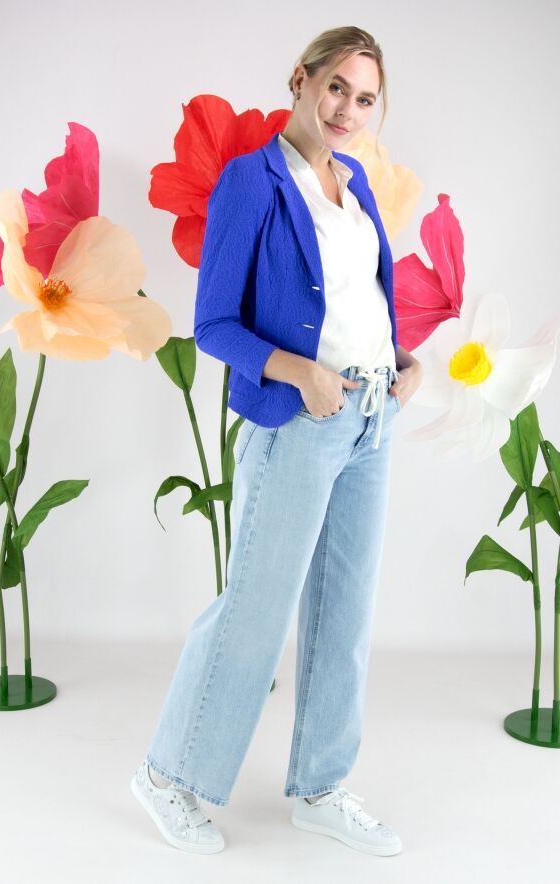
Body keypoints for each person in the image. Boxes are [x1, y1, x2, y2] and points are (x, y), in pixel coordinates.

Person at [130, 25, 423, 857]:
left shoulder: (355, 185)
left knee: (345, 612)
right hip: (300, 420)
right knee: (253, 610)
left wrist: (400, 360)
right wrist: (302, 375)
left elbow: (358, 299)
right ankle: (166, 776)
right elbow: (214, 325)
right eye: (336, 88)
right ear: (301, 79)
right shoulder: (250, 181)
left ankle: (320, 786)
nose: (347, 109)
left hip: (371, 417)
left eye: (364, 99)